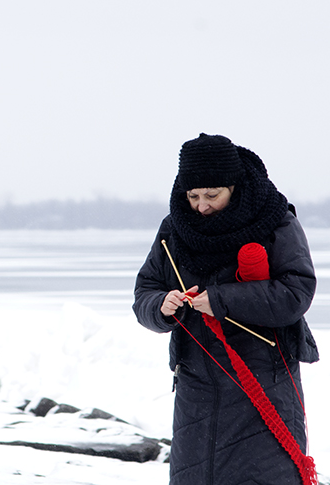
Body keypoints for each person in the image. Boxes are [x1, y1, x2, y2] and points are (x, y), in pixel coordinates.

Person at [133, 133, 319, 485]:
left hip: (264, 381)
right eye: (193, 196)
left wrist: (221, 301)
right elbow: (145, 291)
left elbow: (296, 293)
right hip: (196, 388)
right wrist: (161, 306)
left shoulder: (275, 220)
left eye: (212, 195)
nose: (201, 206)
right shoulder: (174, 228)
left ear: (234, 188)